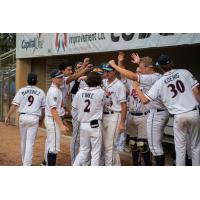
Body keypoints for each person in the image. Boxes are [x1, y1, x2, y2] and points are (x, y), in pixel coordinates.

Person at [134, 54, 200, 166]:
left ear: (159, 67)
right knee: (195, 147)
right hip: (193, 112)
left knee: (180, 149)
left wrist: (136, 88)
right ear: (171, 63)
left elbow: (145, 100)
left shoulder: (160, 81)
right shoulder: (185, 72)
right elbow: (197, 92)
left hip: (178, 116)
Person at [109, 53, 169, 166]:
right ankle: (136, 165)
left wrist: (117, 65)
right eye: (137, 71)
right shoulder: (132, 82)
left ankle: (147, 165)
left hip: (144, 115)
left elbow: (143, 73)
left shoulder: (151, 80)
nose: (138, 73)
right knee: (133, 143)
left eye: (140, 71)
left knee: (143, 144)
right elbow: (125, 74)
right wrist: (120, 62)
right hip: (132, 115)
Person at [5, 72, 46, 166]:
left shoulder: (21, 90)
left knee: (23, 141)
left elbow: (14, 105)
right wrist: (41, 119)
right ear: (37, 81)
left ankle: (24, 162)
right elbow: (43, 108)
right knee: (30, 143)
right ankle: (27, 165)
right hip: (34, 118)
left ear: (27, 81)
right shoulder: (41, 92)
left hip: (23, 117)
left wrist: (7, 116)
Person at [72, 72, 106, 166]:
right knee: (95, 153)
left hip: (83, 124)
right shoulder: (100, 92)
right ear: (99, 81)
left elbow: (74, 108)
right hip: (94, 125)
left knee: (83, 151)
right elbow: (107, 103)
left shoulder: (80, 92)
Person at [101, 63, 127, 166]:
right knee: (106, 146)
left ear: (114, 71)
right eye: (105, 71)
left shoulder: (119, 85)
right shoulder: (103, 82)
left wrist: (122, 123)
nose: (106, 73)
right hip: (103, 116)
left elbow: (124, 105)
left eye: (108, 71)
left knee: (109, 146)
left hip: (114, 115)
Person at [45, 69, 69, 166]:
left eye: (62, 77)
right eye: (58, 77)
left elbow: (58, 108)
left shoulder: (57, 89)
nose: (61, 79)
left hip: (53, 119)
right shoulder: (54, 91)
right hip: (52, 120)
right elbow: (53, 110)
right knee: (54, 147)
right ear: (52, 79)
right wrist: (61, 125)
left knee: (51, 144)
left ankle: (45, 163)